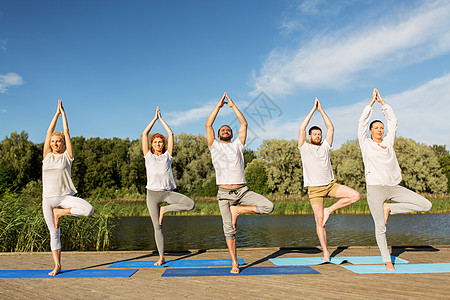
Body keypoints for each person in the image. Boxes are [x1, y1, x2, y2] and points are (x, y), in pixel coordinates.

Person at [358, 88, 432, 271]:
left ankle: (390, 208)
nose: (380, 130)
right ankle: (387, 261)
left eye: (381, 128)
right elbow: (361, 122)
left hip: (393, 186)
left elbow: (394, 121)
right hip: (375, 188)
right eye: (376, 128)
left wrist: (383, 104)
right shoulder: (365, 144)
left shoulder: (388, 142)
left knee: (425, 205)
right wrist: (370, 104)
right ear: (370, 131)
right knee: (380, 227)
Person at [206, 92, 274, 274]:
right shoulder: (214, 146)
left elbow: (244, 124)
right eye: (223, 130)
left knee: (269, 206)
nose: (225, 131)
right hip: (224, 194)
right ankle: (234, 262)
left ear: (232, 134)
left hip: (243, 191)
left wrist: (233, 106)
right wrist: (218, 107)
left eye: (228, 130)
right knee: (228, 230)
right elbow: (208, 124)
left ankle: (238, 210)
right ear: (219, 135)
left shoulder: (238, 145)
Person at [298, 97, 361, 262]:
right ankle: (326, 253)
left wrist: (322, 110)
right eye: (315, 134)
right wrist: (312, 110)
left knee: (356, 196)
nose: (318, 136)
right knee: (320, 222)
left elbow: (331, 127)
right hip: (314, 190)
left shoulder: (326, 146)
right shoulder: (303, 147)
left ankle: (329, 210)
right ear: (310, 136)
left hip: (330, 185)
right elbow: (302, 127)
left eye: (319, 134)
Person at [42, 100, 94, 276]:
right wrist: (55, 115)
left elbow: (67, 132)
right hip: (48, 199)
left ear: (63, 143)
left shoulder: (67, 157)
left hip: (64, 197)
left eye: (59, 141)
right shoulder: (47, 156)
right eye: (53, 141)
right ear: (50, 144)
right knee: (53, 233)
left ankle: (60, 213)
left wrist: (63, 115)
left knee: (88, 210)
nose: (55, 143)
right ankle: (57, 266)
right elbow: (49, 131)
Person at [142, 106, 195, 266]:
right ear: (152, 145)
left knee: (190, 204)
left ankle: (165, 210)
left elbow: (171, 134)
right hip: (152, 195)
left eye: (160, 142)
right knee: (157, 227)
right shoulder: (148, 156)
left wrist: (162, 119)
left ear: (163, 144)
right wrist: (154, 119)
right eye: (155, 142)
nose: (158, 144)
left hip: (167, 193)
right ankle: (161, 257)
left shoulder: (167, 156)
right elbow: (144, 134)